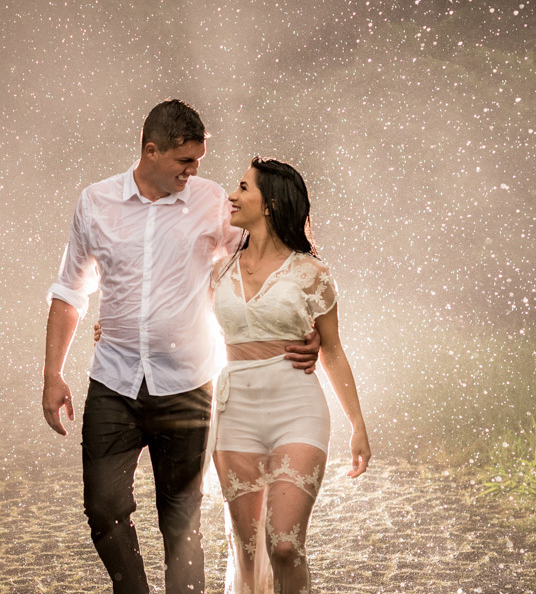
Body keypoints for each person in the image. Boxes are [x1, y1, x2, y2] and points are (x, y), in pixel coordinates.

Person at [41, 99, 320, 594]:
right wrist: (53, 374)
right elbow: (69, 293)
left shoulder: (210, 202)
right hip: (113, 381)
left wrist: (308, 325)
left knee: (181, 520)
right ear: (151, 151)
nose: (194, 172)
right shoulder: (95, 202)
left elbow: (275, 251)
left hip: (187, 383)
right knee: (103, 508)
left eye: (198, 161)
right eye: (184, 162)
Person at [208, 157, 370, 593]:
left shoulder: (310, 272)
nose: (232, 195)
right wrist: (117, 324)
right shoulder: (219, 268)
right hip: (234, 410)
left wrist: (357, 425)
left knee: (283, 545)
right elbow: (179, 322)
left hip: (296, 407)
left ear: (270, 204)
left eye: (243, 188)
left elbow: (332, 351)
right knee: (246, 549)